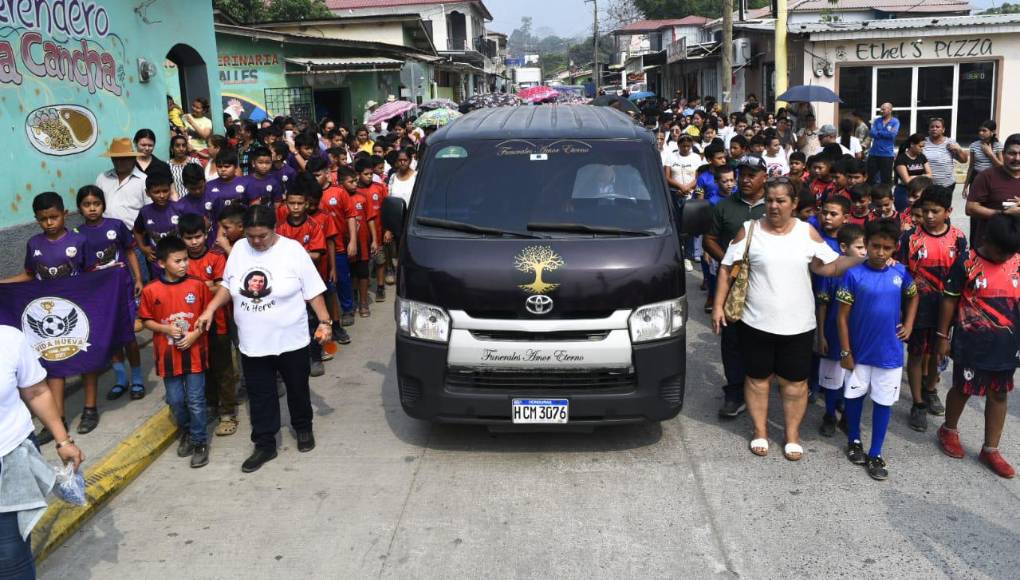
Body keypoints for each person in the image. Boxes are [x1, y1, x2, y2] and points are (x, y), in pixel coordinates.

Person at [713, 178, 864, 460]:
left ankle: (791, 434)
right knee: (758, 380)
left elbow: (828, 267)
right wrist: (719, 306)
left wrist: (864, 262)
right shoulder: (750, 230)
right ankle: (760, 431)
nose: (773, 206)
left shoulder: (807, 232)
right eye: (769, 200)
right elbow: (725, 268)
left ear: (794, 204)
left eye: (781, 200)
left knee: (795, 384)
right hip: (755, 322)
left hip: (798, 325)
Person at [197, 205, 332, 473]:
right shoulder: (238, 250)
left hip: (291, 339)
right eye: (251, 236)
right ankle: (264, 444)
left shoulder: (293, 251)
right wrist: (210, 308)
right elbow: (228, 285)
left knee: (297, 387)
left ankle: (303, 428)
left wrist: (325, 322)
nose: (257, 241)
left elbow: (313, 291)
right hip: (253, 343)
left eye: (263, 236)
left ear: (275, 229)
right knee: (260, 395)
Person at [0, 192, 101, 442]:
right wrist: (3, 282)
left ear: (64, 214)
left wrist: (112, 275)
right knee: (54, 364)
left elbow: (92, 275)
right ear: (36, 220)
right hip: (49, 315)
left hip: (77, 312)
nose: (49, 223)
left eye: (54, 217)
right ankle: (58, 418)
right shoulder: (34, 244)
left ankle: (90, 409)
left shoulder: (80, 241)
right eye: (43, 219)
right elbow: (29, 275)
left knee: (85, 359)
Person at [936, 214, 1020, 478]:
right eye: (1001, 250)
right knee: (963, 389)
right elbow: (949, 301)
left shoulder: (1017, 262)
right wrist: (942, 336)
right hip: (971, 344)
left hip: (1007, 346)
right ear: (985, 239)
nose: (1005, 256)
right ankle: (948, 429)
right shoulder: (966, 263)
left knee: (999, 394)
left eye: (1011, 251)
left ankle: (990, 449)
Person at [836, 218, 920, 480]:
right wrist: (846, 352)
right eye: (875, 246)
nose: (880, 253)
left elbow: (914, 295)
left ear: (895, 248)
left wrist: (908, 324)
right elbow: (842, 317)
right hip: (859, 353)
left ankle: (876, 452)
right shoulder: (853, 274)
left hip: (890, 355)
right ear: (867, 245)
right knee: (854, 397)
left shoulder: (900, 272)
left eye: (886, 247)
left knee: (883, 403)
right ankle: (854, 441)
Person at [0, 325, 85, 579]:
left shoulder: (9, 339)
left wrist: (63, 441)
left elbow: (36, 391)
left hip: (10, 456)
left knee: (9, 554)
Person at [898, 185, 967, 432]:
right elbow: (903, 273)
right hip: (918, 308)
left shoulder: (958, 238)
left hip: (946, 310)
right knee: (917, 354)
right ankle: (918, 403)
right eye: (925, 211)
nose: (928, 216)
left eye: (935, 211)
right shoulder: (910, 238)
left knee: (937, 353)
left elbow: (962, 275)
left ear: (948, 211)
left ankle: (931, 389)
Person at [139, 236, 212, 468]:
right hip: (168, 357)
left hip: (195, 354)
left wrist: (194, 335)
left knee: (196, 400)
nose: (184, 265)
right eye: (177, 261)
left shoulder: (197, 286)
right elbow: (146, 320)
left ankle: (200, 441)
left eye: (185, 260)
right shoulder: (151, 291)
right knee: (175, 399)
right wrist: (164, 328)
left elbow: (205, 317)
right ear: (161, 263)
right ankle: (188, 430)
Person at [703, 157, 768, 418]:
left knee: (764, 338)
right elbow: (708, 239)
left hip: (767, 284)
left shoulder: (774, 206)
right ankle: (735, 391)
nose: (745, 179)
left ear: (765, 175)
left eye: (752, 174)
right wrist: (729, 264)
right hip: (732, 285)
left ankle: (761, 387)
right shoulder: (724, 207)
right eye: (743, 174)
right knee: (733, 341)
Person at [74, 186, 146, 402]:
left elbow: (131, 251)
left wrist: (138, 278)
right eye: (87, 205)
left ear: (103, 205)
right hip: (99, 295)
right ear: (80, 208)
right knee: (112, 337)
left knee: (129, 336)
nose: (92, 208)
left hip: (123, 289)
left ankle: (138, 379)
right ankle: (121, 379)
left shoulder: (116, 226)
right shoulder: (77, 235)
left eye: (96, 203)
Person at [179, 214, 238, 437]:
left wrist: (199, 288)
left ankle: (228, 412)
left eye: (198, 237)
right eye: (188, 238)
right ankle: (212, 405)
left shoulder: (217, 257)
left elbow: (227, 288)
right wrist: (207, 286)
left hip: (218, 322)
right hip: (191, 325)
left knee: (223, 367)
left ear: (206, 235)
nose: (194, 242)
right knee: (203, 367)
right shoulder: (180, 260)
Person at [815, 223, 866, 436]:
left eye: (866, 247)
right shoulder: (832, 272)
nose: (864, 252)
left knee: (853, 379)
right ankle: (829, 414)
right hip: (834, 335)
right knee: (831, 378)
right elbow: (823, 305)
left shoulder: (868, 273)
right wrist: (821, 335)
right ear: (844, 248)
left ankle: (847, 416)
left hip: (858, 337)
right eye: (860, 247)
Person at [966, 133, 1020, 249]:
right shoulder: (986, 176)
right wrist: (1002, 213)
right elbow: (970, 208)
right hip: (991, 248)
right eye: (1012, 153)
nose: (1017, 158)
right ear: (1003, 153)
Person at [133, 172, 181, 280]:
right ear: (147, 193)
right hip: (156, 262)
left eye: (165, 191)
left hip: (179, 260)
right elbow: (137, 231)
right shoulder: (145, 212)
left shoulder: (179, 208)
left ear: (170, 189)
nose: (162, 195)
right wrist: (143, 248)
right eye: (156, 192)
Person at [95, 138, 148, 231]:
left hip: (134, 234)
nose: (119, 162)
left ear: (133, 158)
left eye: (124, 158)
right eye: (116, 158)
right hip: (104, 232)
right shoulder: (102, 178)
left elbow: (150, 210)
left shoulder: (144, 180)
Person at [964, 120, 1004, 201]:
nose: (981, 133)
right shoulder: (974, 145)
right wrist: (965, 187)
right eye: (980, 130)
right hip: (977, 178)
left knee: (990, 203)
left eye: (984, 130)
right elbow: (971, 167)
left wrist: (990, 154)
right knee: (975, 202)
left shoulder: (997, 145)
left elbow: (1002, 167)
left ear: (992, 132)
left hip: (992, 179)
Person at [925, 118, 968, 190]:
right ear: (929, 129)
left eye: (937, 127)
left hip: (947, 185)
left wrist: (958, 150)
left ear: (943, 130)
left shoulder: (950, 142)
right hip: (927, 185)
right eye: (932, 127)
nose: (934, 129)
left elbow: (963, 160)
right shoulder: (923, 142)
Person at [894, 133, 932, 211]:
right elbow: (907, 181)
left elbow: (930, 175)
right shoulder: (901, 158)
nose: (922, 149)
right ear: (912, 144)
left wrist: (912, 177)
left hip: (919, 191)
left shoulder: (922, 156)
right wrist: (922, 176)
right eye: (920, 146)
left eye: (923, 147)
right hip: (904, 192)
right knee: (904, 215)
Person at [869, 103, 900, 186]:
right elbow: (871, 133)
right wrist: (885, 133)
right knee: (871, 179)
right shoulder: (877, 120)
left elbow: (892, 135)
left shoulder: (895, 121)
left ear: (890, 110)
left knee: (886, 180)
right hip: (873, 153)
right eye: (880, 109)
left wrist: (878, 133)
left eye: (883, 109)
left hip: (887, 154)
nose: (881, 111)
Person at [168, 134, 201, 199]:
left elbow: (202, 183)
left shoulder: (195, 162)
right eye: (177, 146)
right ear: (172, 148)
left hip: (196, 200)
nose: (181, 148)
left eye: (184, 146)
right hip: (177, 203)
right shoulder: (167, 166)